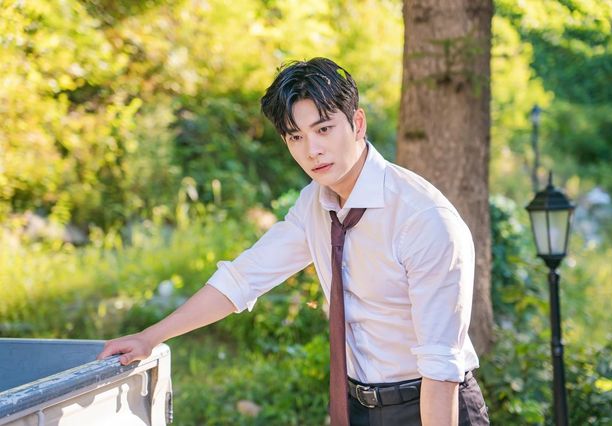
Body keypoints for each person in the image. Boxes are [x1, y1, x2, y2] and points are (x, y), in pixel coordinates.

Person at [98, 57, 489, 425]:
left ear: (357, 123)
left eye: (323, 129)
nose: (312, 150)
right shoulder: (315, 204)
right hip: (358, 406)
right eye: (296, 137)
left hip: (432, 405)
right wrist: (149, 337)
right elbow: (243, 278)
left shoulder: (423, 219)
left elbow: (440, 368)